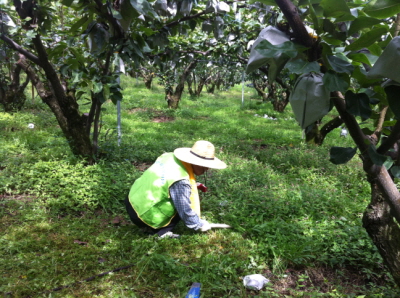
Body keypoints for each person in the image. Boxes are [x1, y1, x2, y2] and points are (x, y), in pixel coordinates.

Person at [125, 140, 227, 238]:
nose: (207, 168)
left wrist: (192, 185)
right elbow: (184, 209)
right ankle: (159, 232)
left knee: (181, 194)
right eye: (204, 165)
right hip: (144, 215)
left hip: (132, 199)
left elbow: (165, 179)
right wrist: (200, 224)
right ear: (195, 162)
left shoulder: (169, 157)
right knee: (181, 201)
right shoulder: (181, 181)